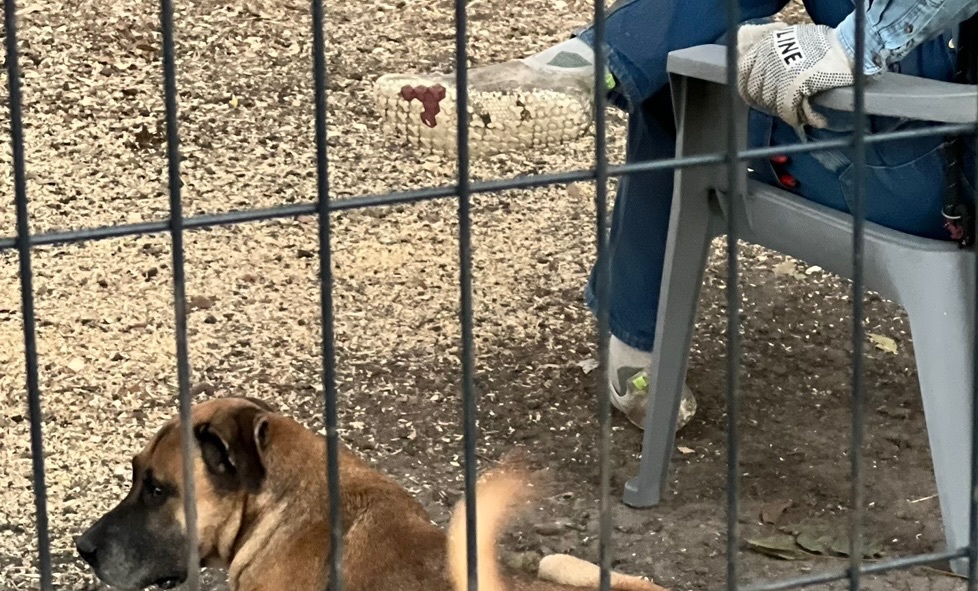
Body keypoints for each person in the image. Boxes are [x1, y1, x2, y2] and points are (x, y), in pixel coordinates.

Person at [374, 0, 978, 430]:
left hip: (936, 180)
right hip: (941, 129)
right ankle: (591, 65)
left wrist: (841, 51)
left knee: (679, 89)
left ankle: (583, 66)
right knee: (692, 60)